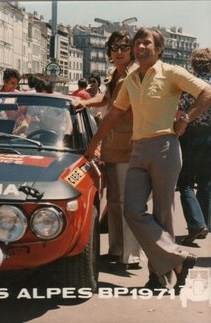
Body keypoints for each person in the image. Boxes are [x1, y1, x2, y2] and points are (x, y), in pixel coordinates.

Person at [84, 27, 211, 292]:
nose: (141, 47)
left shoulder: (171, 73)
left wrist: (186, 119)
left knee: (163, 215)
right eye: (138, 43)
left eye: (147, 43)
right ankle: (178, 259)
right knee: (131, 210)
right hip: (137, 149)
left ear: (159, 48)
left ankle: (159, 277)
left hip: (165, 146)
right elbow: (114, 114)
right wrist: (93, 145)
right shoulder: (131, 79)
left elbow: (206, 93)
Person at [74, 31, 143, 270]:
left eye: (125, 47)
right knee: (114, 201)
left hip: (128, 145)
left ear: (132, 50)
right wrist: (84, 102)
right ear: (109, 51)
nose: (120, 52)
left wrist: (95, 142)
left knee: (127, 202)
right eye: (115, 48)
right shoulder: (116, 73)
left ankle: (130, 255)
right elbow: (105, 99)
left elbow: (116, 112)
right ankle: (117, 249)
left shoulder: (134, 75)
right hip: (114, 145)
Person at [176, 48, 211, 244]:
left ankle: (197, 224)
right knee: (206, 182)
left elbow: (180, 111)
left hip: (191, 135)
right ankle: (204, 223)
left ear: (193, 64)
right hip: (210, 135)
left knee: (186, 182)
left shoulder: (189, 84)